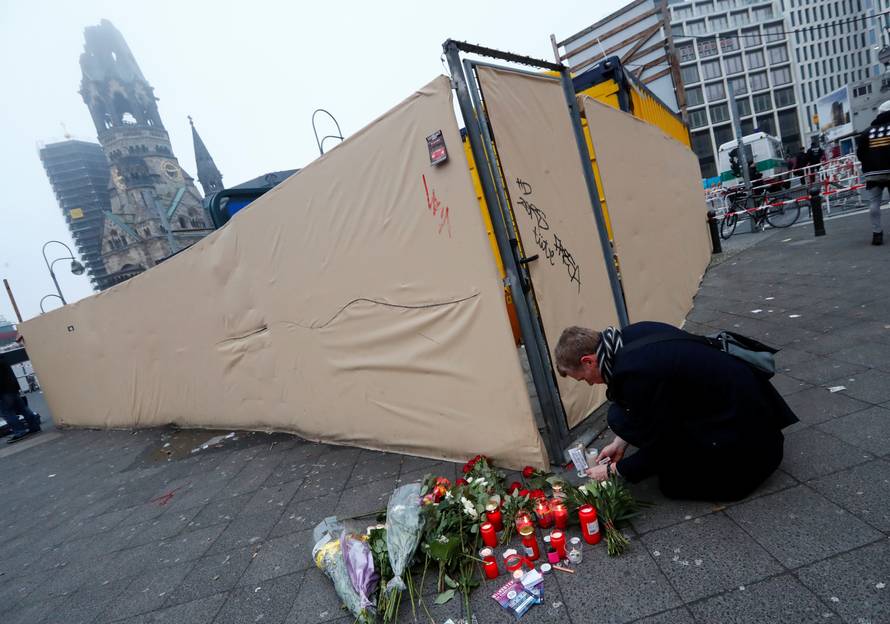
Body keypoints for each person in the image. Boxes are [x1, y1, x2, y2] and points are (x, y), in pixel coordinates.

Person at [554, 322, 798, 501]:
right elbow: (667, 402)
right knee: (620, 417)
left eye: (583, 378)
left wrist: (614, 470)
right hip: (744, 407)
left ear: (588, 361)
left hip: (749, 443)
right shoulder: (631, 335)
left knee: (672, 484)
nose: (589, 384)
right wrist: (621, 443)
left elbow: (670, 438)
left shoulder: (636, 373)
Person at [855, 100, 890, 246]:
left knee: (874, 202)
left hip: (872, 173)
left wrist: (868, 166)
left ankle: (877, 234)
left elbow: (860, 154)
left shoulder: (866, 132)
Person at [0, 359, 41, 443]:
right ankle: (35, 426)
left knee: (7, 413)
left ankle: (20, 432)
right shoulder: (3, 359)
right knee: (23, 409)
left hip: (3, 392)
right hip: (13, 388)